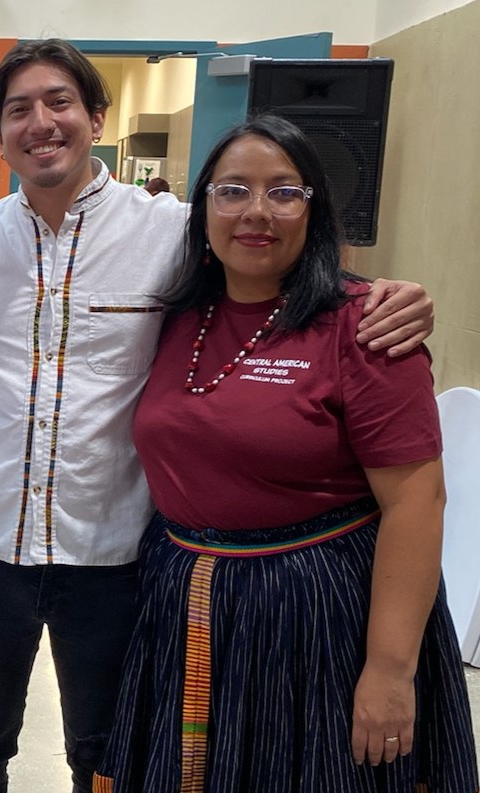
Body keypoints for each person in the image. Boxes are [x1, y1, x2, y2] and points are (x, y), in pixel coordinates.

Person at [0, 39, 438, 793]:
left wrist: (384, 294)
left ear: (95, 115)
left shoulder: (173, 231)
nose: (41, 122)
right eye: (18, 109)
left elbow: (272, 251)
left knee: (105, 746)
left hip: (114, 555)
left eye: (59, 102)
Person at [93, 113, 477, 793]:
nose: (256, 212)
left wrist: (390, 668)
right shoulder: (177, 313)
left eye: (284, 192)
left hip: (320, 618)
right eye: (233, 190)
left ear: (314, 208)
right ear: (203, 207)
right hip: (184, 601)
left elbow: (418, 503)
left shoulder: (364, 327)